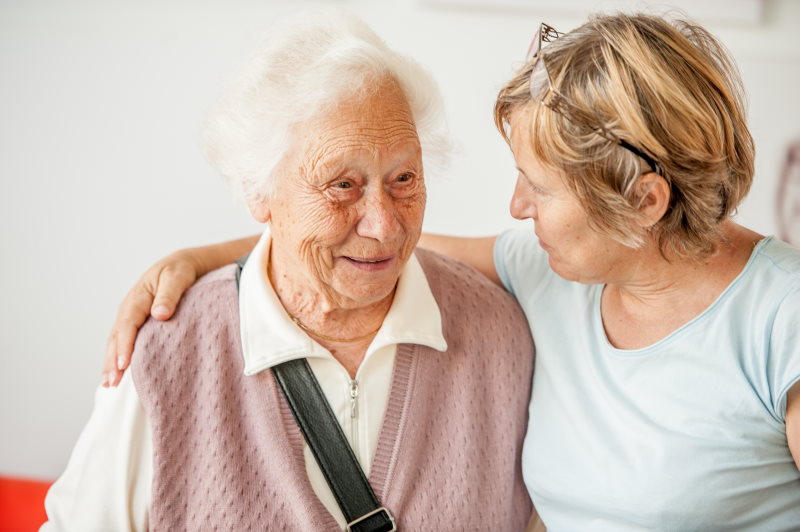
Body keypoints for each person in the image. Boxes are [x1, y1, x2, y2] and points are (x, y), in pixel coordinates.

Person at [104, 12, 800, 530]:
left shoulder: (782, 316)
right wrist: (206, 257)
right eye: (344, 185)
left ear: (644, 202)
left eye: (542, 188)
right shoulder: (550, 271)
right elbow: (380, 237)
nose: (515, 206)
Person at [43, 9, 536, 531]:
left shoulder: (501, 337)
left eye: (404, 177)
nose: (384, 225)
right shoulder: (169, 353)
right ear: (259, 191)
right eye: (342, 185)